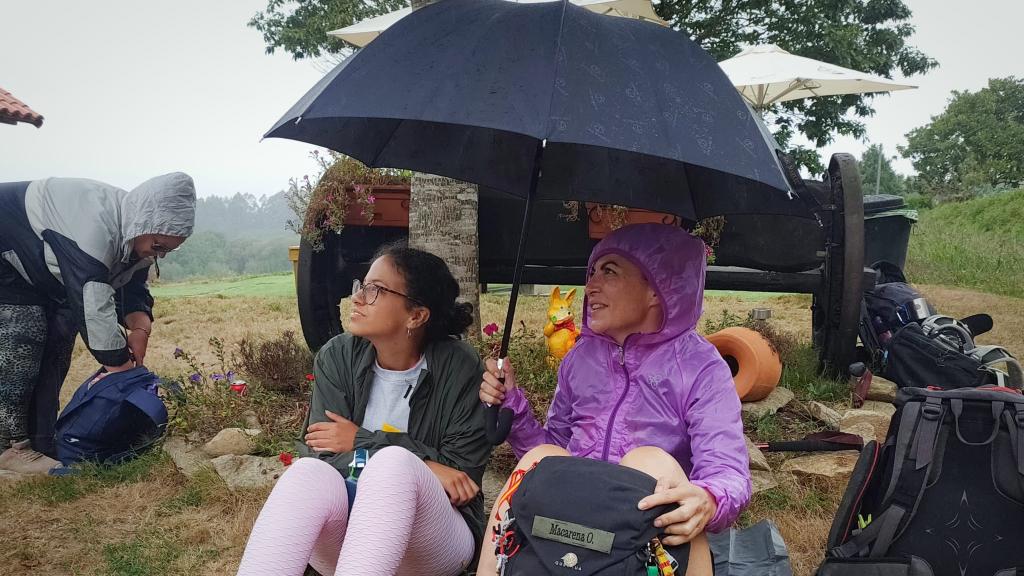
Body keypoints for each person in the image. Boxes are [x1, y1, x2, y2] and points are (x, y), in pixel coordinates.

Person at [478, 223, 752, 575]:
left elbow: (726, 470)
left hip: (646, 531)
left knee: (649, 461)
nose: (590, 286)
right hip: (573, 517)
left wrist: (709, 498)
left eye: (609, 272)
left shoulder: (700, 367)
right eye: (591, 272)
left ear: (657, 288)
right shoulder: (580, 359)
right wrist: (511, 404)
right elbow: (554, 455)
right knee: (539, 457)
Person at [237, 242, 491, 576]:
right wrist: (425, 462)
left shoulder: (459, 365)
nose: (357, 298)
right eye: (362, 286)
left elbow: (461, 478)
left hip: (437, 536)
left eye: (375, 290)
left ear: (416, 315)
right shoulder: (337, 356)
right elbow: (322, 453)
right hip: (352, 533)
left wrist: (360, 440)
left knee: (394, 467)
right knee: (306, 473)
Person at [0, 173, 196, 474]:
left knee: (58, 344)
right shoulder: (94, 229)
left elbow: (131, 288)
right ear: (144, 223)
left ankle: (41, 441)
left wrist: (140, 329)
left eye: (170, 249)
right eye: (158, 246)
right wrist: (121, 368)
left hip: (40, 272)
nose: (160, 255)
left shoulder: (138, 234)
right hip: (7, 249)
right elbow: (91, 301)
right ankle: (9, 448)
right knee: (24, 338)